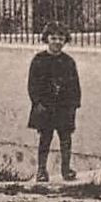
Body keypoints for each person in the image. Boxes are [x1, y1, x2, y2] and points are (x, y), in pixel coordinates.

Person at [27, 22, 81, 182]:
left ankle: (66, 170)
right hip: (46, 107)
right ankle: (42, 170)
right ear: (46, 39)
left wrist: (73, 105)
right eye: (53, 38)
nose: (57, 41)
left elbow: (75, 85)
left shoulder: (68, 61)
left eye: (60, 38)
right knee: (45, 138)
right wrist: (38, 103)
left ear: (65, 40)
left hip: (64, 107)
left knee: (66, 139)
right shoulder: (39, 60)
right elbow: (32, 85)